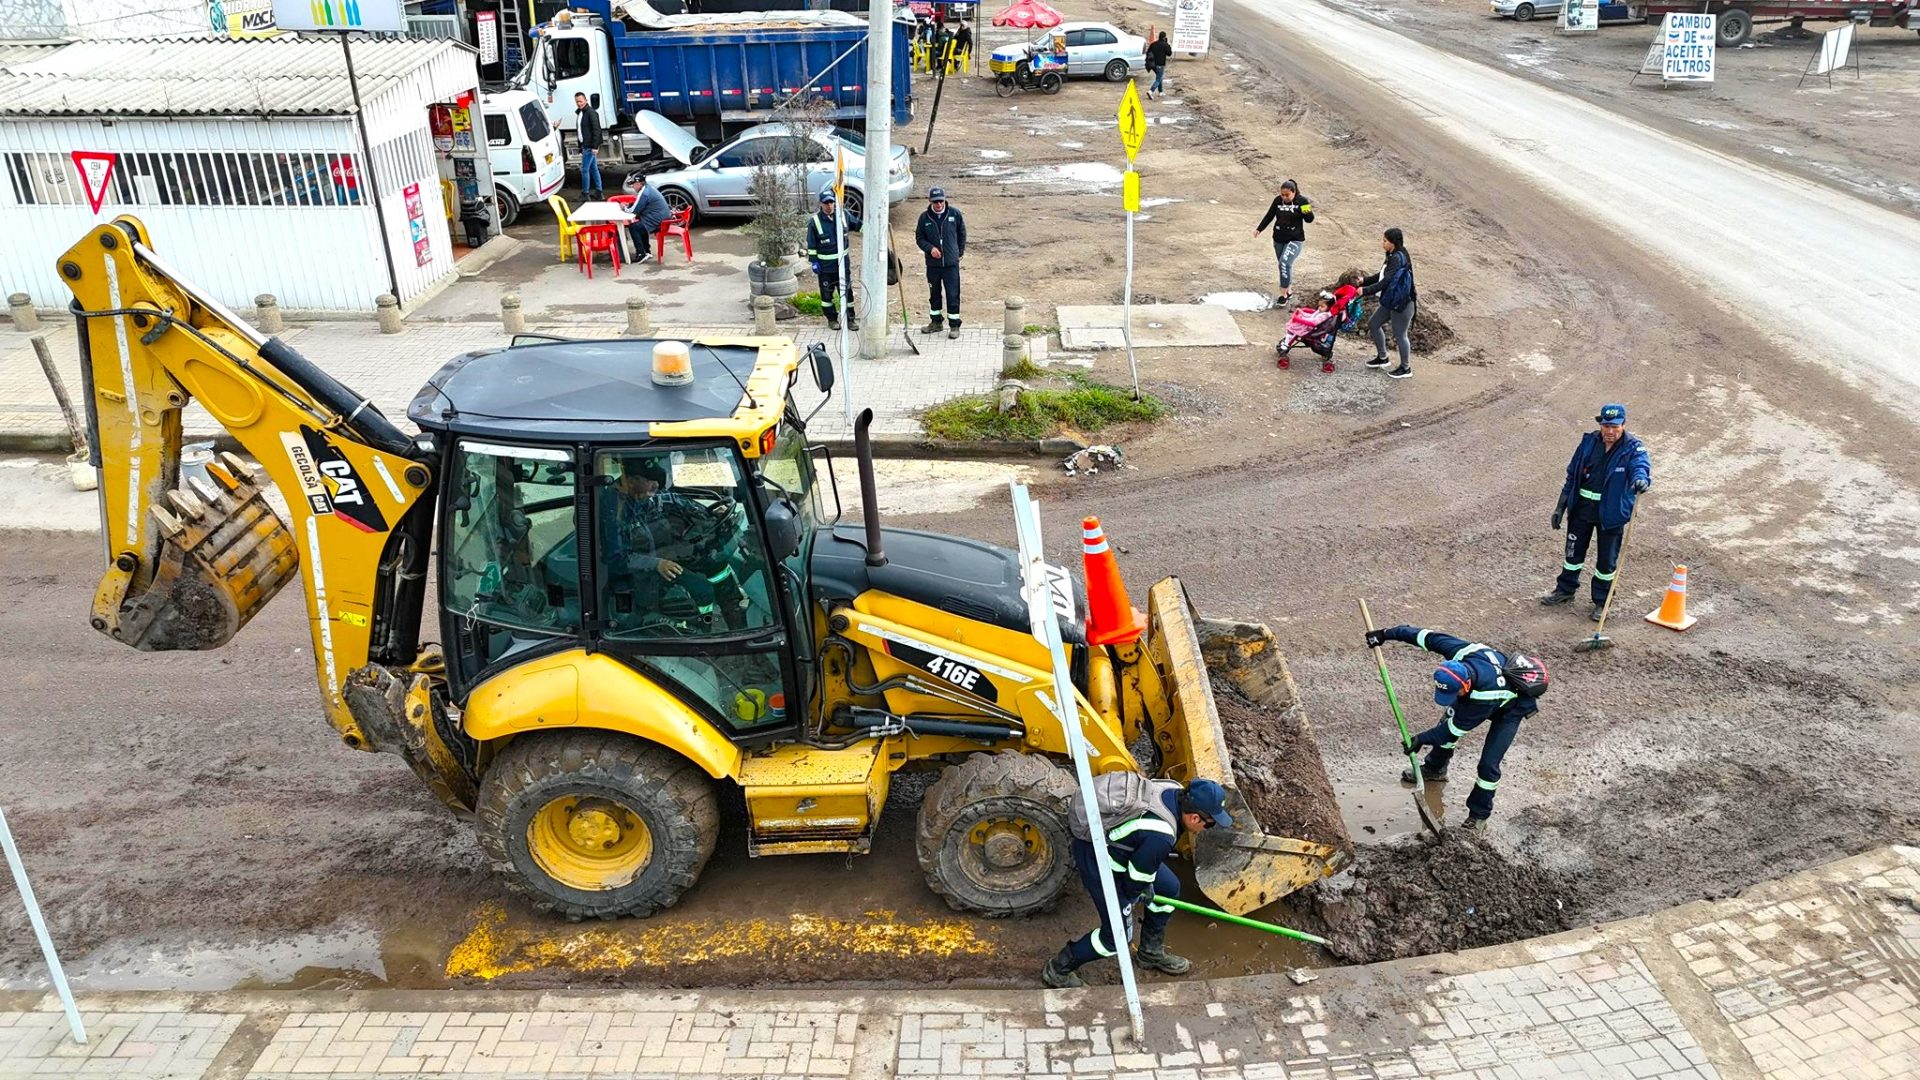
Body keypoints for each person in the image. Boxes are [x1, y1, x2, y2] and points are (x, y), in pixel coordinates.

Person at [1042, 775, 1234, 989]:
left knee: (1168, 889)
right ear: (1195, 819)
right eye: (1210, 824)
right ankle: (1058, 969)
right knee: (1116, 938)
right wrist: (1134, 895)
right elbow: (1134, 881)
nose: (1208, 829)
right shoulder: (1161, 836)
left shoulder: (1173, 788)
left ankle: (1150, 953)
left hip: (1129, 850)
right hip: (1099, 860)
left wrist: (1146, 883)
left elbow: (1143, 863)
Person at [1362, 624, 1541, 831]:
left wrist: (1421, 739)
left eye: (1454, 694)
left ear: (1465, 685)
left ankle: (1479, 817)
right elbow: (1423, 636)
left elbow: (1453, 730)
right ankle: (1435, 769)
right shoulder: (1462, 652)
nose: (1450, 699)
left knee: (1488, 765)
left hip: (1510, 709)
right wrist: (1385, 634)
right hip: (1480, 692)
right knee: (1445, 727)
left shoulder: (1484, 696)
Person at [603, 456, 749, 631]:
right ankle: (702, 629)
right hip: (640, 573)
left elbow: (672, 500)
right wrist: (657, 564)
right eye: (651, 481)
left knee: (718, 567)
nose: (655, 486)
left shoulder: (644, 495)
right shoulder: (613, 508)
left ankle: (736, 623)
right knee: (703, 590)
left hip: (663, 555)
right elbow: (617, 558)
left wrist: (708, 513)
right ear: (633, 480)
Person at [1543, 404, 1652, 620]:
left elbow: (1641, 467)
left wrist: (1641, 480)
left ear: (1623, 425)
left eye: (1614, 426)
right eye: (1605, 426)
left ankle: (1602, 601)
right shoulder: (1588, 443)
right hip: (1582, 509)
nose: (1609, 431)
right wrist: (1560, 506)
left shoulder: (1633, 448)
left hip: (1610, 514)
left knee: (1606, 562)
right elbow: (1572, 475)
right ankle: (1565, 590)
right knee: (1572, 554)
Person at [1360, 227, 1417, 380]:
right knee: (1373, 324)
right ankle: (1383, 358)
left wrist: (1365, 291)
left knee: (1400, 335)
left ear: (1393, 243)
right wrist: (1365, 281)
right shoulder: (1392, 255)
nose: (1382, 243)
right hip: (1391, 300)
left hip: (1402, 303)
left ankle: (1406, 368)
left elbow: (1386, 281)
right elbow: (1382, 274)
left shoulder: (1397, 258)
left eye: (1385, 241)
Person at [805, 188, 862, 332]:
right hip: (825, 268)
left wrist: (875, 228)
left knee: (847, 293)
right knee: (826, 295)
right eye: (826, 203)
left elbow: (858, 225)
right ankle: (832, 319)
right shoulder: (815, 222)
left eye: (831, 202)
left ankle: (850, 320)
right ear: (821, 204)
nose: (829, 205)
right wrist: (814, 262)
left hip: (843, 265)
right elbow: (811, 244)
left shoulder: (843, 216)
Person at [915, 186, 966, 338]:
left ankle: (954, 325)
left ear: (944, 200)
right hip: (933, 265)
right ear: (930, 201)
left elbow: (962, 234)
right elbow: (919, 238)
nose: (938, 204)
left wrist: (959, 253)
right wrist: (930, 249)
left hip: (951, 265)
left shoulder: (954, 214)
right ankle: (936, 322)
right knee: (934, 294)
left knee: (953, 294)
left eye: (941, 201)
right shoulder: (924, 218)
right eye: (935, 202)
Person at [1253, 180, 1313, 307]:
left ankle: (1283, 294)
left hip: (1295, 239)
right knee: (1283, 266)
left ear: (1294, 192)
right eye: (1282, 195)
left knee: (1284, 263)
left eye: (1287, 195)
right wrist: (1259, 228)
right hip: (1279, 238)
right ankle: (1289, 290)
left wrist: (1305, 211)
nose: (1284, 197)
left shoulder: (1302, 201)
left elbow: (1310, 219)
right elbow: (1269, 215)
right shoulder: (1277, 201)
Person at [621, 173, 671, 265]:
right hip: (662, 219)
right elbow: (639, 205)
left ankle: (641, 253)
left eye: (633, 184)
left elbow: (633, 211)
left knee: (634, 227)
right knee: (640, 225)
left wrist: (624, 207)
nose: (632, 187)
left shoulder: (644, 193)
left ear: (639, 184)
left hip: (657, 221)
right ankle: (647, 251)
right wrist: (630, 205)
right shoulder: (649, 189)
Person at [574, 92, 604, 201]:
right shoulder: (581, 113)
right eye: (577, 101)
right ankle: (599, 192)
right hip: (586, 145)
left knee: (584, 169)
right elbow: (580, 130)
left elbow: (597, 130)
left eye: (581, 101)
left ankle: (585, 193)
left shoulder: (591, 113)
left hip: (589, 146)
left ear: (586, 100)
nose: (579, 103)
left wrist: (595, 146)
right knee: (593, 168)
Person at [1146, 31, 1173, 99]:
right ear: (1164, 37)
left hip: (1152, 65)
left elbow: (1148, 52)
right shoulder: (1165, 45)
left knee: (1159, 77)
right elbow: (1169, 53)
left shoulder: (1154, 44)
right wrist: (1167, 44)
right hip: (1160, 65)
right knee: (1159, 78)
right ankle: (1151, 91)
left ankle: (1160, 92)